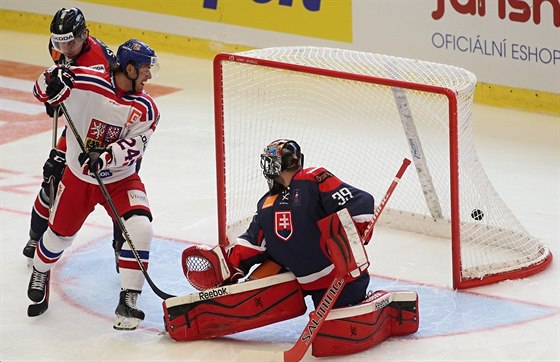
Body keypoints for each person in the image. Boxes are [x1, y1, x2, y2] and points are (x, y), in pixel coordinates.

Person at [28, 38, 160, 329]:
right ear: (129, 68)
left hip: (121, 179)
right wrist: (51, 82)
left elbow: (136, 145)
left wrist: (106, 156)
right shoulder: (86, 81)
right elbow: (41, 88)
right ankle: (40, 270)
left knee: (140, 227)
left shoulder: (147, 107)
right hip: (79, 177)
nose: (150, 75)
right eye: (146, 69)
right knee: (59, 236)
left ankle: (129, 300)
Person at [185, 139, 376, 308]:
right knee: (276, 255)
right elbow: (362, 205)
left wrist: (349, 238)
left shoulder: (311, 179)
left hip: (342, 281)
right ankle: (235, 285)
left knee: (332, 330)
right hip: (314, 282)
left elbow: (360, 203)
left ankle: (231, 282)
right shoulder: (268, 203)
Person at [23, 7, 132, 272]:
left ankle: (122, 248)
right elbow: (57, 80)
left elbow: (107, 106)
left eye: (70, 41)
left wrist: (65, 101)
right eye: (60, 42)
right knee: (52, 177)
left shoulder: (98, 64)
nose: (65, 48)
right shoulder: (60, 46)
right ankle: (36, 238)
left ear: (85, 34)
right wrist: (54, 97)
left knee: (118, 193)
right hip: (79, 126)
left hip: (105, 130)